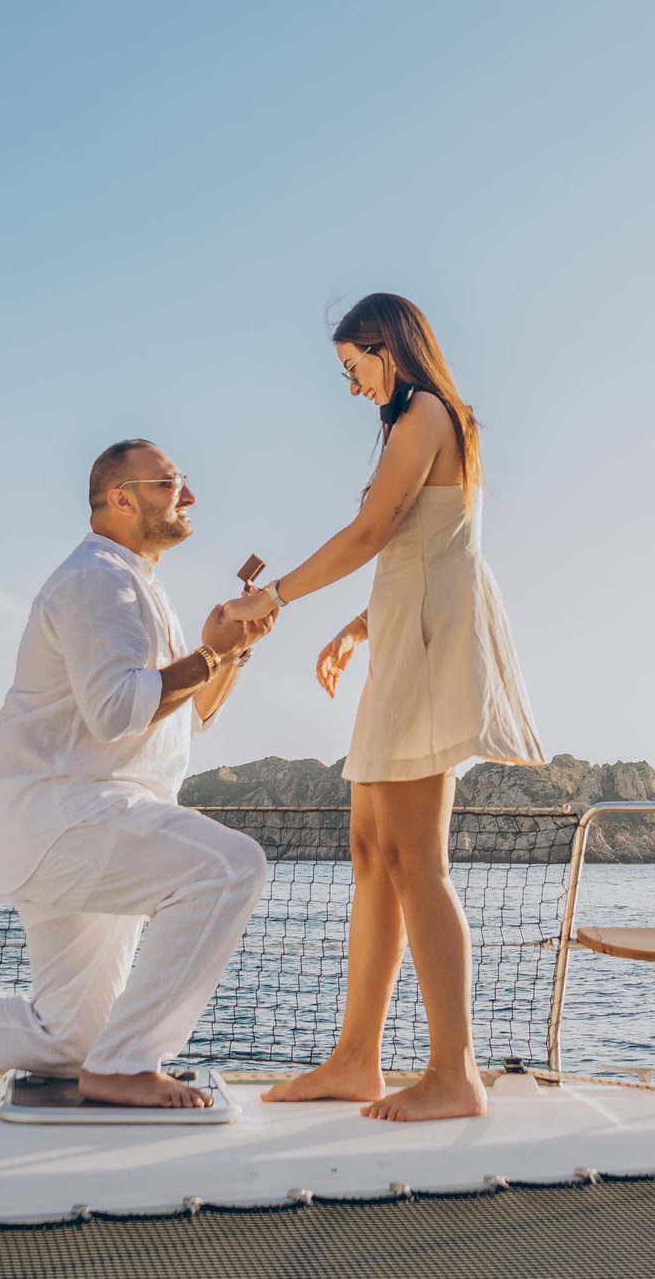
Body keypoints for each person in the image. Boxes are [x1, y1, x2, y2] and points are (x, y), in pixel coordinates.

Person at [0, 440, 273, 1107]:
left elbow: (185, 715)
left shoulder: (134, 584)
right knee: (230, 867)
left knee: (71, 1039)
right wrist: (209, 655)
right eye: (170, 483)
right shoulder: (98, 579)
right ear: (121, 499)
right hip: (73, 817)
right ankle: (128, 1065)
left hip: (84, 821)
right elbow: (117, 709)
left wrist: (230, 654)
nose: (188, 495)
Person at [226, 293, 542, 1121]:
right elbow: (423, 549)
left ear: (386, 345)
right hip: (401, 648)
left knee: (416, 861)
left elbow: (373, 532)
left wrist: (274, 596)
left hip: (425, 660)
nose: (351, 384)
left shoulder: (427, 413)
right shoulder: (421, 422)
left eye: (352, 365)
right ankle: (355, 1058)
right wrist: (357, 627)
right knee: (372, 852)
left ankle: (455, 1072)